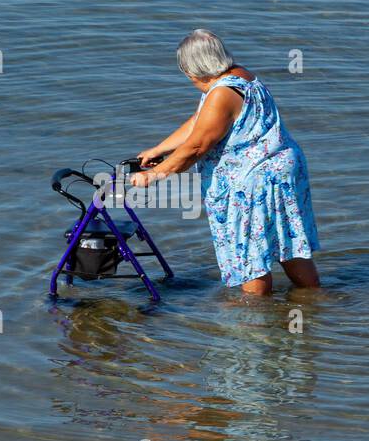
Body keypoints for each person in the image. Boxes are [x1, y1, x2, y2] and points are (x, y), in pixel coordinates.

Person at [132, 29, 321, 295]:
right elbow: (200, 121)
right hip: (282, 169)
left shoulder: (220, 94)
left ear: (193, 71)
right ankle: (314, 298)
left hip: (254, 179)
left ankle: (253, 319)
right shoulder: (241, 75)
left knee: (251, 256)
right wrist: (159, 149)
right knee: (286, 243)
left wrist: (152, 176)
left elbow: (197, 146)